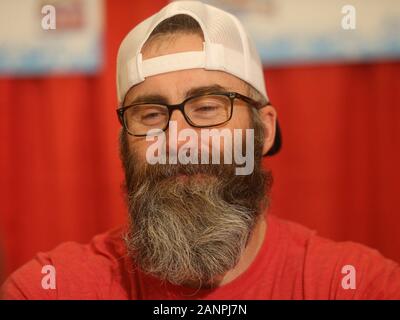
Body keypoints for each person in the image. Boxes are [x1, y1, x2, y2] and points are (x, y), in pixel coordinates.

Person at [1, 1, 399, 300]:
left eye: (207, 108)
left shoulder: (354, 285)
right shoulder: (50, 290)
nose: (178, 140)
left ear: (264, 129)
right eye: (151, 114)